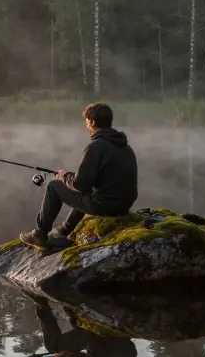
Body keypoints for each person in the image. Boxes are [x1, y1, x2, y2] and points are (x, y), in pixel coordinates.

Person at [19, 102, 137, 250]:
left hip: (106, 206)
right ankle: (64, 231)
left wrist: (63, 177)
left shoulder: (96, 147)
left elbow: (81, 185)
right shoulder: (124, 146)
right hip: (124, 205)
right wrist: (71, 177)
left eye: (86, 120)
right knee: (85, 192)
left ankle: (39, 234)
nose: (86, 124)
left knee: (54, 187)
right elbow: (94, 180)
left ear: (92, 121)